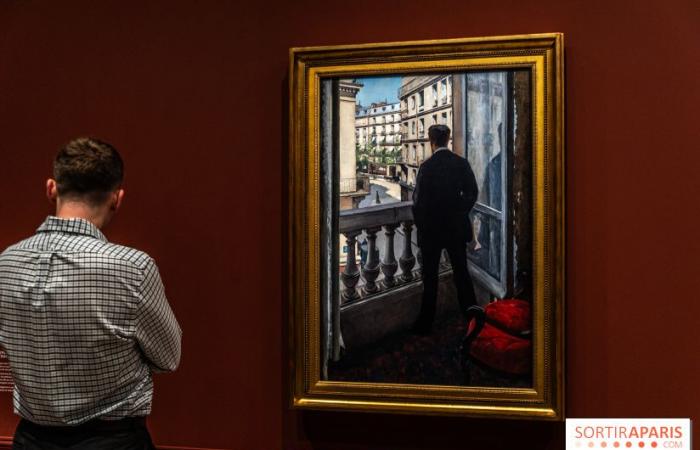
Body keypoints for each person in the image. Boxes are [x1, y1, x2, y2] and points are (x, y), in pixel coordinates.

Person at [0, 138, 182, 449]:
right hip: (113, 441)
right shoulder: (134, 268)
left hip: (29, 440)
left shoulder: (5, 263)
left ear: (51, 188)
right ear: (117, 198)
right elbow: (168, 358)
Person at [411, 125, 479, 334]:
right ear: (448, 139)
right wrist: (459, 211)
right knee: (462, 275)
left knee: (430, 280)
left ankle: (425, 324)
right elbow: (472, 193)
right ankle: (473, 319)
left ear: (431, 141)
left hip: (432, 232)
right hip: (455, 230)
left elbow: (418, 203)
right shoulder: (460, 163)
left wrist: (424, 227)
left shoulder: (427, 167)